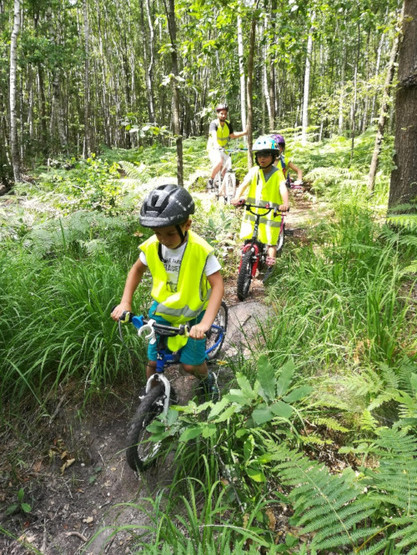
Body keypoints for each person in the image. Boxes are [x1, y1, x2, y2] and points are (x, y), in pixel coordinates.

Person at [111, 184, 224, 400]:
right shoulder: (153, 245)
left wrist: (204, 324)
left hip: (193, 313)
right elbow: (136, 270)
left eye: (170, 233)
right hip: (162, 310)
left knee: (190, 366)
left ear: (187, 224)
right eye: (157, 233)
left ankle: (208, 380)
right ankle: (153, 397)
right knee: (153, 362)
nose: (162, 239)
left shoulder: (200, 250)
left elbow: (218, 285)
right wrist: (125, 302)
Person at [231, 135, 289, 267]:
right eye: (259, 155)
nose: (262, 158)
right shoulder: (254, 171)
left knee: (270, 240)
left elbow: (282, 188)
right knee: (249, 236)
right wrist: (237, 197)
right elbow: (244, 184)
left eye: (266, 155)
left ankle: (271, 261)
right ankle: (246, 259)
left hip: (271, 213)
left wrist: (285, 204)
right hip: (253, 210)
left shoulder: (277, 173)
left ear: (273, 157)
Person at [207, 103, 247, 189]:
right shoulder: (214, 124)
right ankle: (211, 180)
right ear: (217, 114)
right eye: (221, 113)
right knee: (219, 161)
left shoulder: (228, 124)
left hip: (223, 149)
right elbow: (214, 136)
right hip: (213, 148)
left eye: (225, 114)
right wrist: (216, 144)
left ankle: (225, 193)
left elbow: (232, 135)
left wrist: (244, 133)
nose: (223, 115)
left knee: (227, 168)